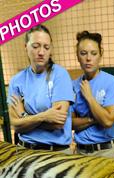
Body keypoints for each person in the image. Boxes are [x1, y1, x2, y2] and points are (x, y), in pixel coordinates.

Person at [8, 24, 74, 152]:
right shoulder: (16, 81)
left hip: (56, 152)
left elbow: (58, 123)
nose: (41, 52)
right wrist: (44, 116)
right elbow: (15, 125)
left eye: (46, 47)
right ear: (25, 47)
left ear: (51, 50)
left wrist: (24, 115)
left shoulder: (60, 75)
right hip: (25, 149)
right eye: (35, 46)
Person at [72, 31, 114, 159]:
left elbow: (107, 121)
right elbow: (70, 123)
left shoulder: (112, 82)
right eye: (83, 53)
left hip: (107, 152)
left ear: (101, 54)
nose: (88, 58)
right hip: (80, 153)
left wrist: (89, 97)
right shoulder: (72, 85)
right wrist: (95, 118)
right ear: (78, 56)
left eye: (93, 53)